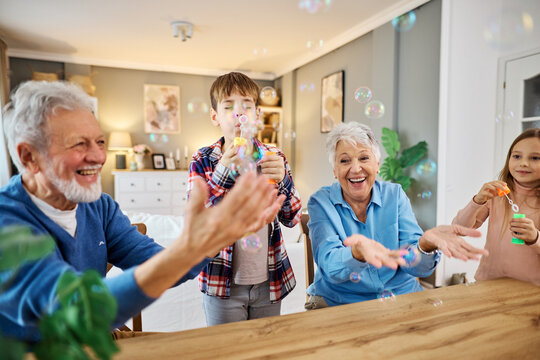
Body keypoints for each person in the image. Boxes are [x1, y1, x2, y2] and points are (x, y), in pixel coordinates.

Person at [0, 80, 284, 341]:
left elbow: (157, 262)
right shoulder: (6, 221)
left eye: (99, 142)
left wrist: (212, 239)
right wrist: (189, 250)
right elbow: (72, 308)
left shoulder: (99, 207)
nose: (99, 157)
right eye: (79, 143)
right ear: (29, 157)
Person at [305, 122, 487, 309]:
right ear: (335, 170)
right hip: (342, 301)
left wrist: (424, 246)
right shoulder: (320, 202)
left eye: (364, 158)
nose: (356, 168)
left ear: (377, 165)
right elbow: (329, 265)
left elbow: (418, 267)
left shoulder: (395, 194)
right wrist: (356, 253)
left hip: (402, 296)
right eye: (344, 161)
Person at [188, 72, 302, 326]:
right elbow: (196, 221)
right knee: (226, 351)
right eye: (228, 106)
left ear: (257, 114)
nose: (239, 113)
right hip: (221, 282)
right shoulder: (203, 160)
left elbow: (293, 218)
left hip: (270, 280)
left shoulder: (274, 157)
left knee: (265, 350)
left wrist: (283, 180)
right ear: (214, 116)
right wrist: (221, 176)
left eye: (246, 105)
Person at [452, 128, 540, 285]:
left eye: (535, 158)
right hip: (489, 284)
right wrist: (477, 201)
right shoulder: (498, 194)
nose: (523, 163)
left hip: (532, 290)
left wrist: (535, 238)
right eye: (517, 156)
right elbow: (458, 228)